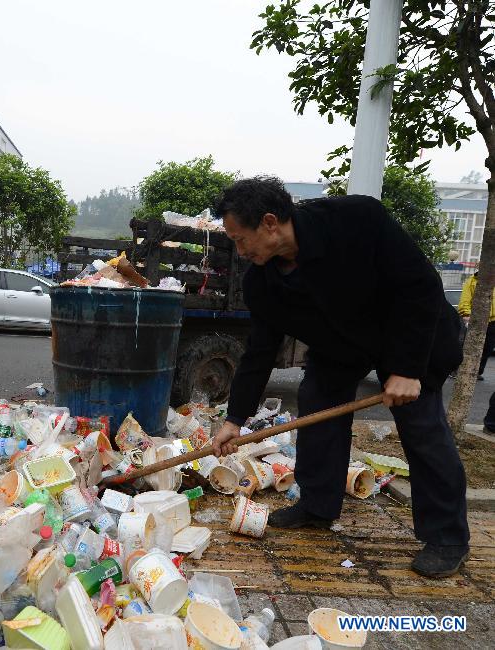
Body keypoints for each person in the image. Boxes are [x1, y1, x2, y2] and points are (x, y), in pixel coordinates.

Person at [209, 177, 469, 578]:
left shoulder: (357, 220)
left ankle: (447, 536)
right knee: (318, 399)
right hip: (341, 345)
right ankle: (317, 504)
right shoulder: (262, 281)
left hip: (406, 336)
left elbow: (421, 287)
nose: (240, 252)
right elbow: (259, 352)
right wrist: (234, 420)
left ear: (270, 222)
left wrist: (407, 370)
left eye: (241, 240)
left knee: (421, 427)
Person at [457, 272, 495, 380]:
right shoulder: (472, 281)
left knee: (488, 347)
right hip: (476, 319)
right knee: (469, 346)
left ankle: (477, 371)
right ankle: (462, 369)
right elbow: (465, 299)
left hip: (493, 321)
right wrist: (466, 314)